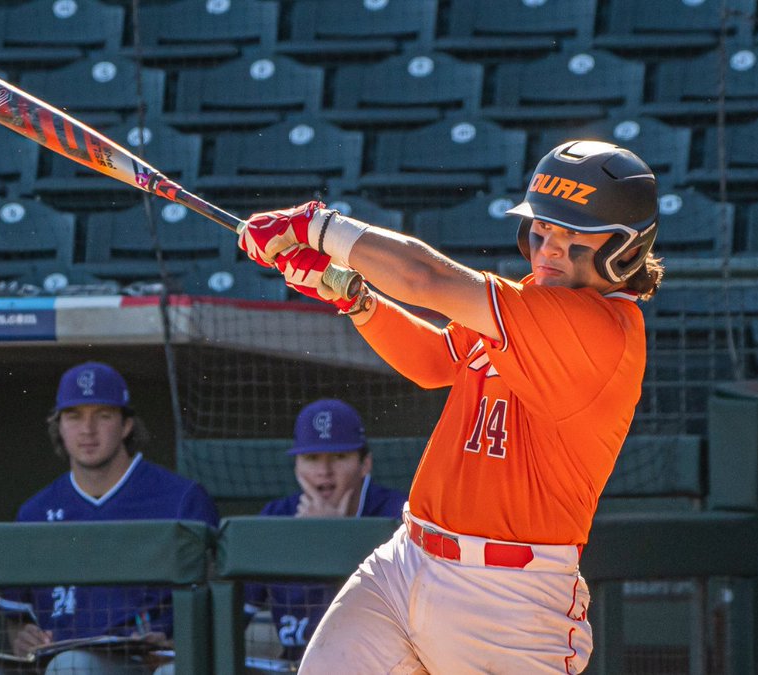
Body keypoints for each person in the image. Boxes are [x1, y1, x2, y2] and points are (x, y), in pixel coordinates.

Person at [237, 140, 663, 674]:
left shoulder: (600, 333)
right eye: (542, 228)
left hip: (508, 600)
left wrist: (318, 227)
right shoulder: (530, 300)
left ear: (624, 249)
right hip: (407, 558)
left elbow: (426, 279)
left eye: (572, 235)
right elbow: (436, 360)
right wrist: (353, 296)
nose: (548, 248)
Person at [0, 362, 220, 675]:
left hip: (143, 665)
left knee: (74, 666)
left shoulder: (181, 499)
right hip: (54, 662)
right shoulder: (35, 512)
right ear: (59, 425)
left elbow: (217, 602)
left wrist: (178, 643)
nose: (87, 430)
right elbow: (17, 616)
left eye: (102, 415)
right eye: (74, 416)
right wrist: (23, 638)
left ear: (126, 425)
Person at [244, 398, 407, 662]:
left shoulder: (397, 514)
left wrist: (335, 538)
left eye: (339, 457)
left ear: (365, 463)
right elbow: (236, 613)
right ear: (297, 465)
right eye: (311, 458)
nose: (324, 471)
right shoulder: (277, 516)